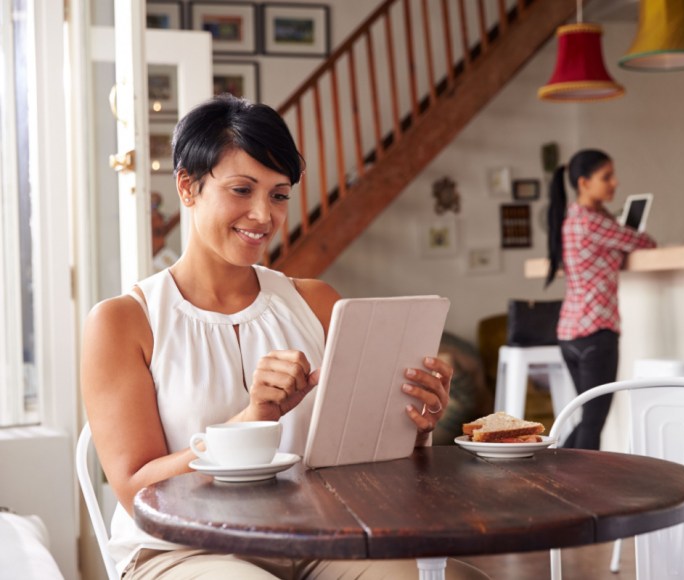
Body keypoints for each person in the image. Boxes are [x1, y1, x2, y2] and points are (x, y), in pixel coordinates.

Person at [81, 95, 486, 580]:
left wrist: (415, 425)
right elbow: (136, 489)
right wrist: (252, 421)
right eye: (241, 189)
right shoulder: (123, 322)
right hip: (181, 550)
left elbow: (362, 461)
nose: (262, 215)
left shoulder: (317, 303)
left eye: (278, 195)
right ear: (188, 187)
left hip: (318, 539)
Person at [545, 149, 656, 450]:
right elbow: (643, 242)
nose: (614, 183)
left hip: (570, 334)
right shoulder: (593, 222)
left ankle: (548, 475)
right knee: (593, 422)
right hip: (596, 333)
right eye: (606, 177)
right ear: (583, 183)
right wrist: (623, 228)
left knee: (588, 418)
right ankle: (578, 491)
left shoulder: (573, 217)